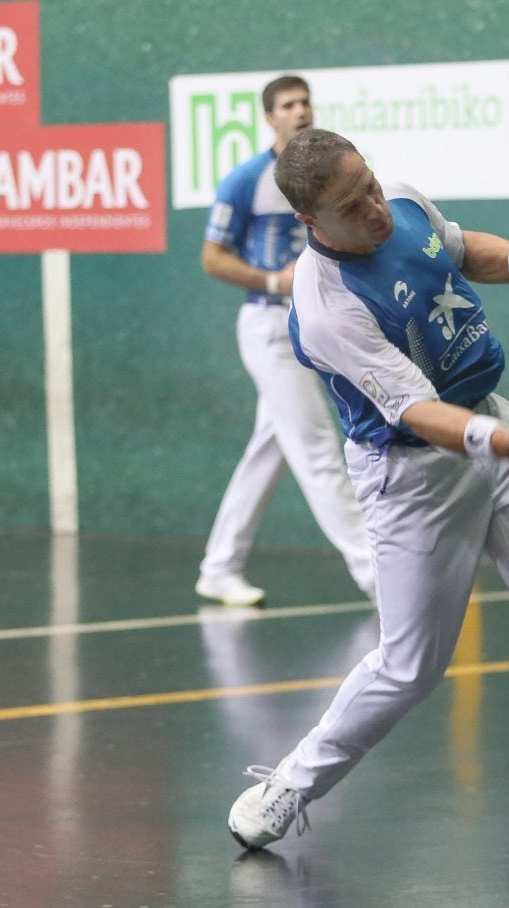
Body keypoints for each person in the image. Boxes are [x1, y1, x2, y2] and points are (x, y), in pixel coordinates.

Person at [225, 128, 509, 876]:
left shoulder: (399, 202)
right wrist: (505, 444)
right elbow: (415, 413)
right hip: (413, 478)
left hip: (497, 427)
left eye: (371, 185)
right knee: (410, 666)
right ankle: (292, 783)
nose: (376, 208)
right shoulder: (326, 306)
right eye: (353, 205)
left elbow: (452, 247)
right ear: (312, 225)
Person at [196, 76, 374, 608]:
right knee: (318, 450)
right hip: (271, 328)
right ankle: (379, 577)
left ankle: (220, 566)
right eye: (287, 106)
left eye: (305, 103)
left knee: (272, 445)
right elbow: (212, 258)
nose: (300, 112)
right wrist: (277, 281)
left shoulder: (323, 177)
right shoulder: (246, 180)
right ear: (270, 117)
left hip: (318, 324)